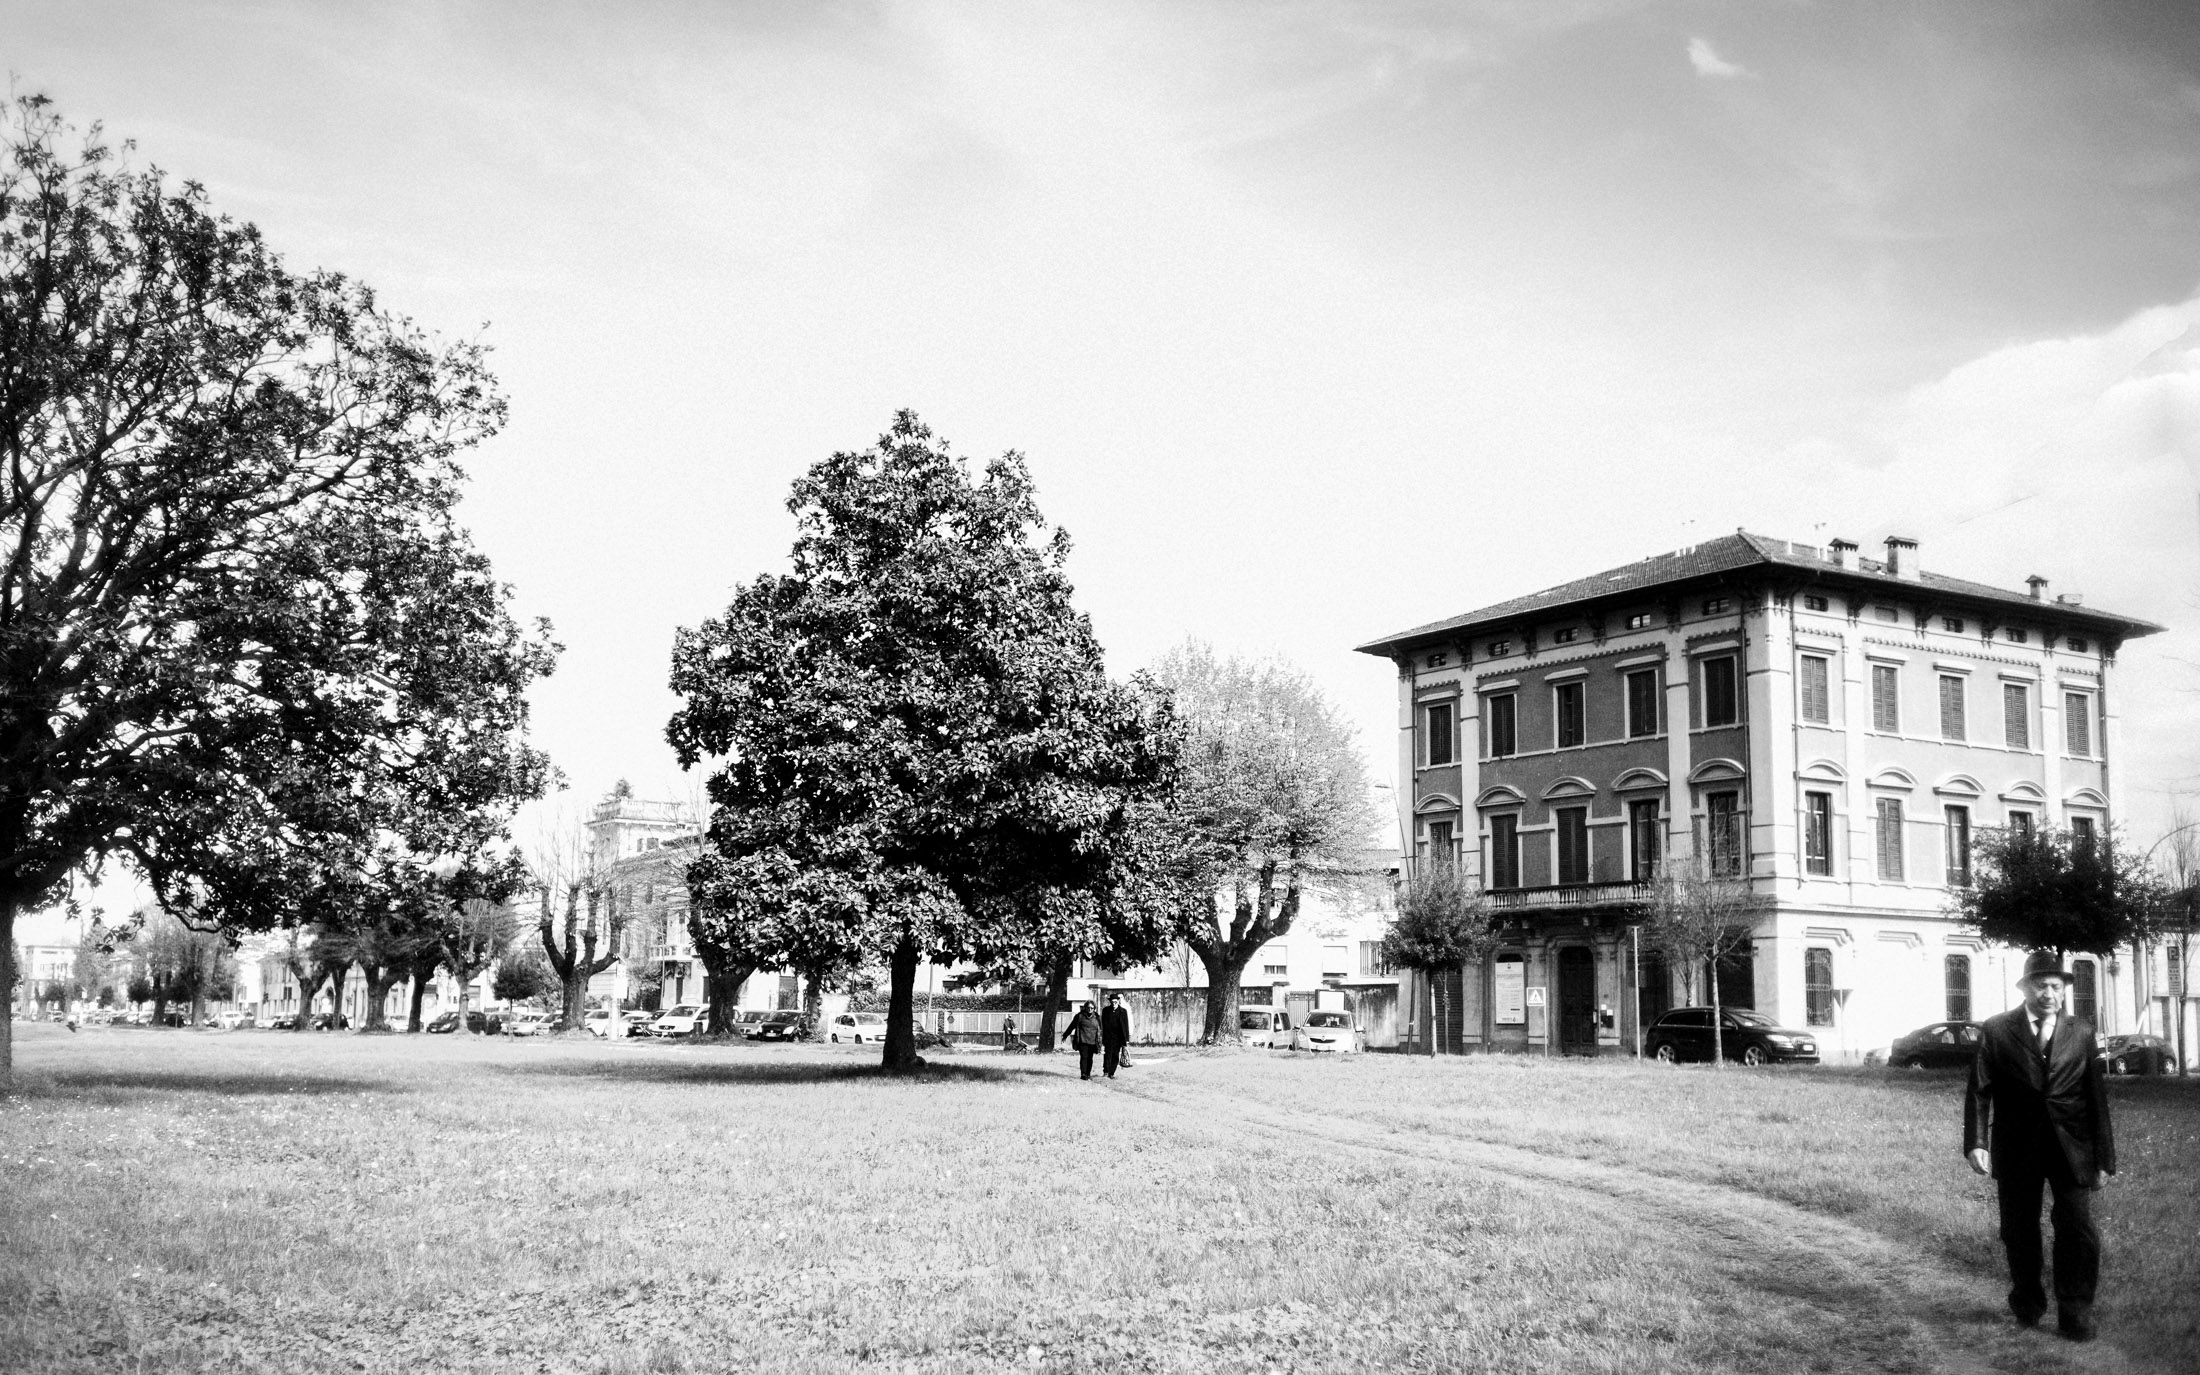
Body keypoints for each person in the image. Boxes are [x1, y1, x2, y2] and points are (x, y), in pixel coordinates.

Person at [1964, 950, 2116, 1342]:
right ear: (2026, 988)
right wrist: (1976, 1142)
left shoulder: (2081, 1032)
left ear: (2064, 990)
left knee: (2079, 1230)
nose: (2049, 993)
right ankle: (2028, 1304)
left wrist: (2104, 1157)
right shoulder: (1997, 1030)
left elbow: (2096, 1097)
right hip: (2017, 1145)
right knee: (2018, 1230)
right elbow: (1979, 1090)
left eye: (2056, 986)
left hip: (2072, 1146)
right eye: (2041, 985)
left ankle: (2075, 1311)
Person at [1065, 1001, 1102, 1079]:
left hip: (1093, 1042)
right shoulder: (1080, 1016)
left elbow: (1101, 1029)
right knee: (1084, 1057)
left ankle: (1088, 1073)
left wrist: (1103, 1040)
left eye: (1092, 1008)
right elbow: (1072, 1026)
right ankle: (1083, 1074)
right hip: (1082, 1041)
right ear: (1085, 1007)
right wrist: (1065, 1035)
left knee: (1090, 1058)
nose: (1090, 1009)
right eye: (1088, 1007)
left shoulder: (1097, 1017)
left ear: (1094, 1009)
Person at [1100, 993, 1132, 1078]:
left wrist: (1126, 1040)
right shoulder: (1106, 1011)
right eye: (1112, 1002)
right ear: (1110, 1002)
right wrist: (1103, 1038)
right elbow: (1103, 1025)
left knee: (1115, 1055)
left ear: (1118, 1001)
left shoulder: (1123, 1011)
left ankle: (1112, 1073)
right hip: (1108, 1037)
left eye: (1115, 1002)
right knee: (1107, 1054)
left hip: (1119, 1038)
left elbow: (1126, 1026)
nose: (1113, 1003)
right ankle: (1106, 1071)